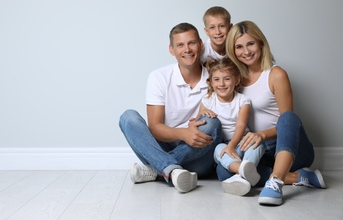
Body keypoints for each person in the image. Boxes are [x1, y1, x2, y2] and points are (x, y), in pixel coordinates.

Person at [221, 20, 326, 205]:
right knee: (223, 172)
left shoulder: (276, 74)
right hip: (261, 150)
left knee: (288, 118)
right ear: (232, 50)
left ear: (261, 43)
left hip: (290, 146)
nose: (246, 51)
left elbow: (288, 124)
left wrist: (262, 134)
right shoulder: (235, 80)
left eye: (250, 43)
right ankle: (297, 177)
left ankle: (276, 181)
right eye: (239, 47)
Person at [119, 22, 223, 193]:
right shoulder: (159, 77)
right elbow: (155, 127)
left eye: (191, 43)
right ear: (171, 50)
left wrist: (192, 135)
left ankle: (157, 169)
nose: (187, 49)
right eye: (180, 45)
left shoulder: (216, 78)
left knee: (212, 123)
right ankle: (172, 170)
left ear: (201, 45)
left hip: (199, 154)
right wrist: (184, 133)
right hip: (165, 145)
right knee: (128, 117)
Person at [197, 57, 265, 196]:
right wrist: (202, 114)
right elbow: (197, 123)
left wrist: (232, 145)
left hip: (241, 142)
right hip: (223, 144)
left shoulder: (243, 101)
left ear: (236, 80)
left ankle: (242, 176)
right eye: (216, 79)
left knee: (256, 145)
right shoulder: (208, 100)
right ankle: (243, 171)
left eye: (227, 79)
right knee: (218, 149)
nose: (221, 84)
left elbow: (241, 125)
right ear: (210, 82)